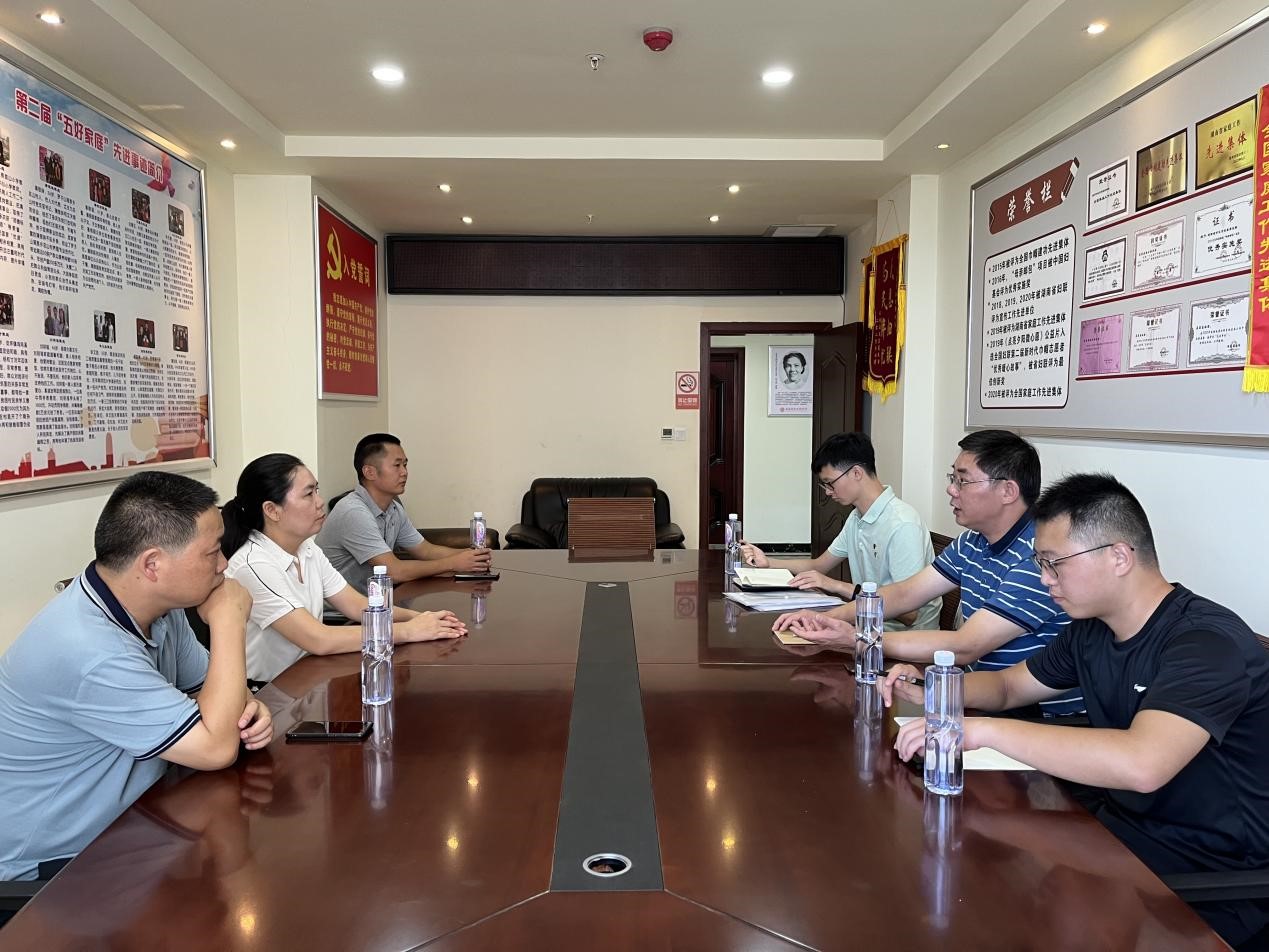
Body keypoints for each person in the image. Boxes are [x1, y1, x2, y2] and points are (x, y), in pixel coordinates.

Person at [885, 473, 1269, 950]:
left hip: (1209, 875)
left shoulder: (1205, 643)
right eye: (1040, 564)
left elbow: (1142, 763)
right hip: (1119, 831)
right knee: (955, 856)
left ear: (1119, 557)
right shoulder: (1091, 630)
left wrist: (981, 731)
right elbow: (1007, 686)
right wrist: (932, 688)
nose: (1045, 579)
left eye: (1054, 564)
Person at [0, 471, 272, 889]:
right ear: (152, 565)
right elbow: (216, 747)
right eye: (212, 552)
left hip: (139, 820)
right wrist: (228, 619)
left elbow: (214, 696)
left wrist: (244, 708)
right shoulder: (89, 650)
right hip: (59, 865)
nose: (224, 565)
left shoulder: (157, 607)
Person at [775, 429, 1080, 717]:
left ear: (1007, 491)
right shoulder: (971, 542)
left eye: (963, 481)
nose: (951, 489)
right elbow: (905, 593)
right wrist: (828, 619)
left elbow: (966, 645)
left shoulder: (1039, 557)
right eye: (952, 478)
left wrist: (860, 639)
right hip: (974, 695)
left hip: (1036, 715)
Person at [222, 453, 466, 683]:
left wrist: (422, 618)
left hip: (309, 673)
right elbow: (319, 639)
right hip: (268, 690)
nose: (320, 502)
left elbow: (357, 606)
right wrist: (409, 631)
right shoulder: (254, 564)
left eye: (317, 490)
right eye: (308, 494)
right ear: (272, 510)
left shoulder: (307, 548)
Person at [740, 431, 940, 630]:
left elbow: (909, 613)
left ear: (856, 473)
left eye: (830, 483)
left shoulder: (902, 524)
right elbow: (819, 565)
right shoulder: (856, 517)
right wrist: (768, 562)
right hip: (867, 626)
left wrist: (836, 585)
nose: (828, 492)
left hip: (904, 639)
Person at [317, 433, 491, 592]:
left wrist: (472, 556)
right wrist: (453, 563)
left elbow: (426, 551)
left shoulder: (393, 509)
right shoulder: (353, 512)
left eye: (405, 465)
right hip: (341, 612)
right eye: (397, 465)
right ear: (369, 472)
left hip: (376, 601)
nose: (404, 472)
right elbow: (394, 572)